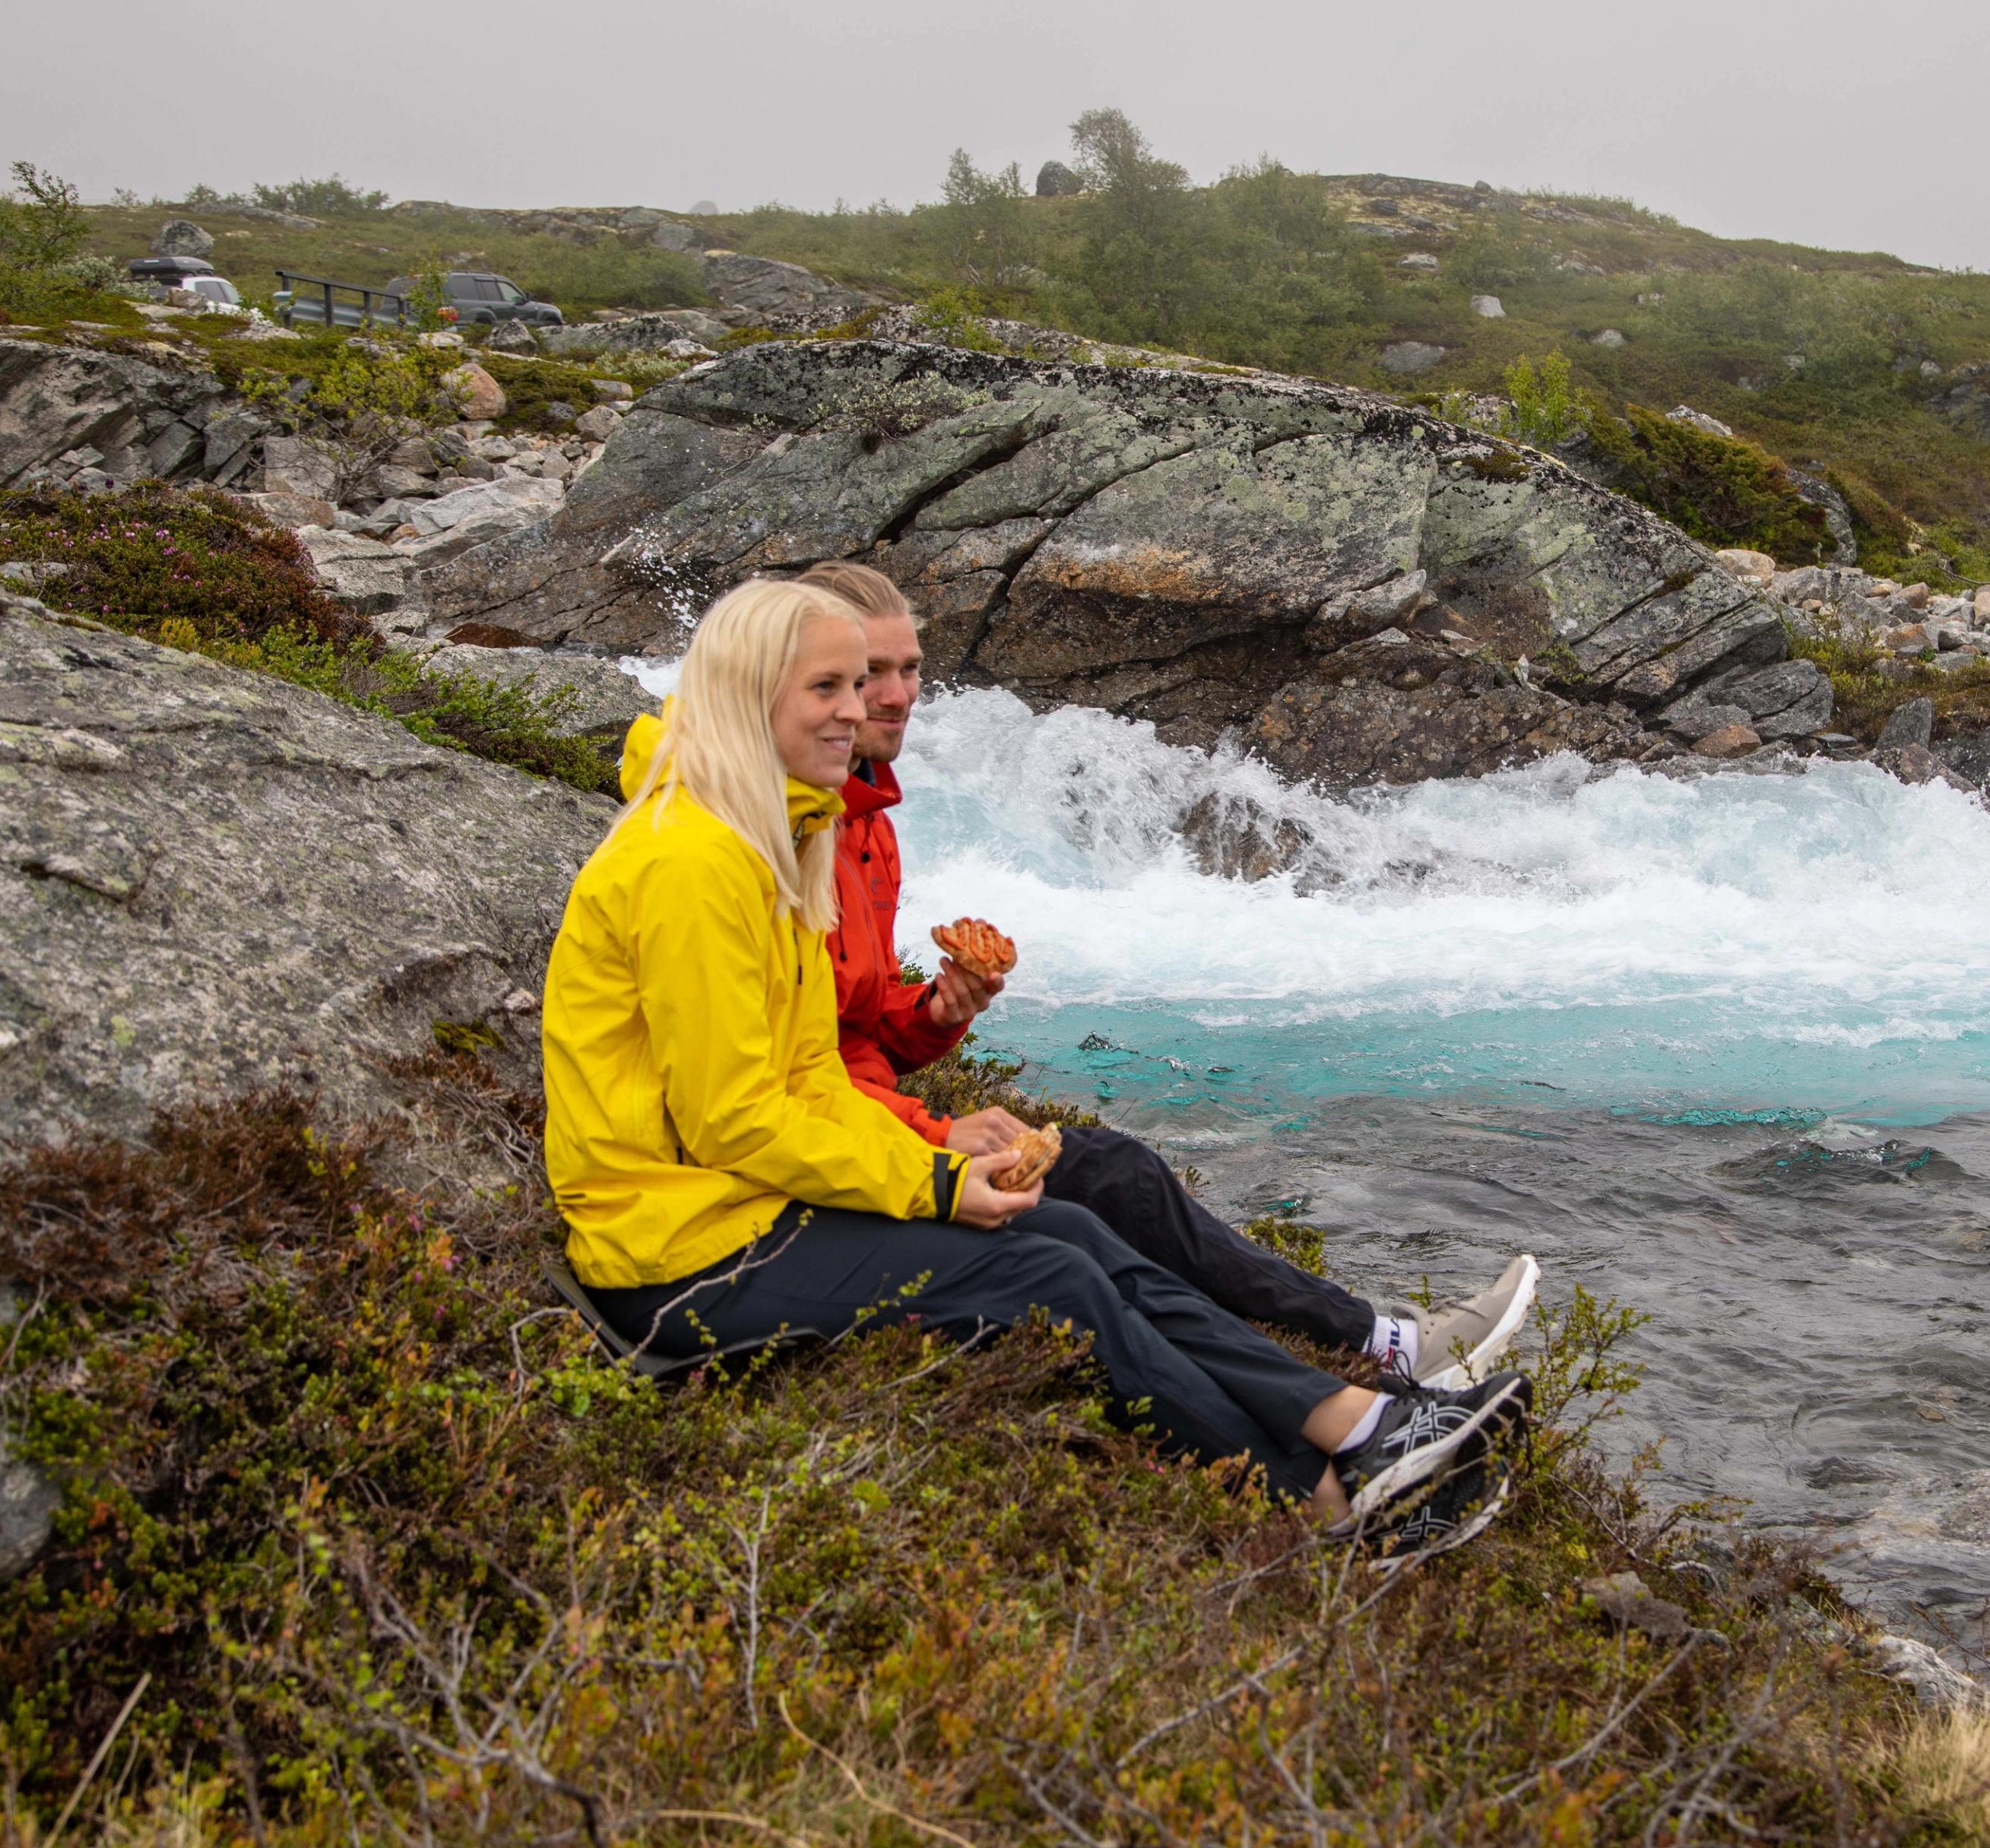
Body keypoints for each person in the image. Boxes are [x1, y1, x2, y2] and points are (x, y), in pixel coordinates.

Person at [545, 578, 1526, 1561]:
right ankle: (1327, 1507)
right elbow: (734, 1121)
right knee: (1050, 1275)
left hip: (742, 1211)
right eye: (830, 687)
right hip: (678, 1261)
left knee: (1065, 1224)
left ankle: (1360, 1422)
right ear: (747, 695)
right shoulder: (692, 862)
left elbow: (808, 1081)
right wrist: (932, 1176)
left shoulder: (772, 842)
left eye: (872, 680)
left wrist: (931, 1156)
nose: (858, 708)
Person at [787, 559, 1540, 1387]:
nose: (893, 696)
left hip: (866, 1128)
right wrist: (932, 1140)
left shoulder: (863, 821)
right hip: (839, 1156)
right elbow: (786, 1079)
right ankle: (1361, 1375)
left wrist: (935, 1012)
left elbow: (855, 1036)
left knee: (1117, 1172)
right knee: (1085, 1214)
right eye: (865, 676)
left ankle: (1374, 1351)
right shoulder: (785, 840)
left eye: (909, 669)